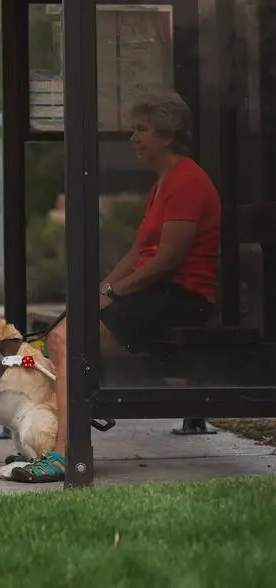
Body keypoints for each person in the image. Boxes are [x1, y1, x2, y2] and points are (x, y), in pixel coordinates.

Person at [12, 92, 222, 483]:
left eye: (142, 129)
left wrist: (112, 294)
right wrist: (99, 291)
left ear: (168, 133)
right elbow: (139, 251)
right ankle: (64, 431)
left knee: (66, 340)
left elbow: (168, 260)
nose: (133, 138)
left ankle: (64, 452)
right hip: (156, 292)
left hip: (181, 297)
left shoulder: (188, 181)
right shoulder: (164, 184)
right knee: (62, 336)